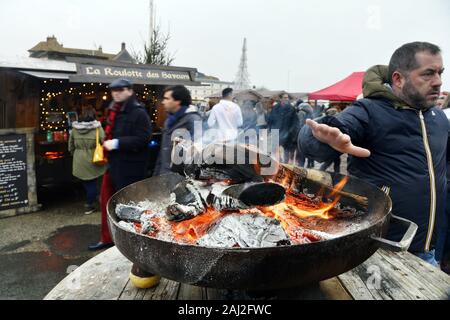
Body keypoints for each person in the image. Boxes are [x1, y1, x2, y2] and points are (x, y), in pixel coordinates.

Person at [299, 42, 447, 266]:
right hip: (377, 250)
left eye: (439, 73)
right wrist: (321, 137)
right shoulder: (369, 110)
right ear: (398, 79)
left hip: (428, 251)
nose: (438, 81)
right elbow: (318, 137)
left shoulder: (439, 118)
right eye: (428, 74)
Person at [89, 79, 152, 251]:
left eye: (120, 89)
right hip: (114, 165)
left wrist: (116, 143)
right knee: (106, 202)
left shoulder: (138, 113)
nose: (115, 93)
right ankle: (108, 238)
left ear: (129, 91)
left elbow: (144, 138)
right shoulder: (113, 110)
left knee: (129, 206)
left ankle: (132, 241)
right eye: (113, 90)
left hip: (131, 168)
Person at [153, 85, 202, 176]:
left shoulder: (194, 119)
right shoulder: (169, 120)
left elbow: (197, 151)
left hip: (179, 178)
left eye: (167, 99)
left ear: (177, 101)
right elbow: (163, 153)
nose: (163, 102)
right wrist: (156, 174)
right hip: (164, 175)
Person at [69, 107, 106, 214]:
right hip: (93, 158)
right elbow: (104, 141)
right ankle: (89, 205)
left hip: (79, 158)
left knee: (87, 182)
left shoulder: (75, 129)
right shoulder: (98, 128)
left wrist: (75, 154)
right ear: (94, 115)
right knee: (93, 183)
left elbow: (70, 145)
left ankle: (95, 199)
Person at [268, 93, 301, 164]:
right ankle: (278, 161)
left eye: (287, 98)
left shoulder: (292, 108)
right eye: (285, 97)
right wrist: (271, 129)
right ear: (281, 99)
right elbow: (271, 119)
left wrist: (291, 131)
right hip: (276, 132)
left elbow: (295, 121)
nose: (286, 99)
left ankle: (285, 164)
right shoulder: (275, 108)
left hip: (287, 133)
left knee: (287, 150)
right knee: (275, 149)